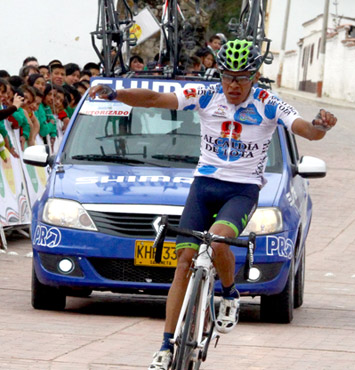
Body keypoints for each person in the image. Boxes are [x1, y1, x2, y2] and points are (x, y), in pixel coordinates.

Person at [89, 38, 337, 370]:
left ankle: (230, 295)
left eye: (242, 77)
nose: (234, 84)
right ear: (218, 73)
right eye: (227, 76)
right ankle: (165, 345)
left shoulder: (268, 102)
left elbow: (305, 129)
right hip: (204, 186)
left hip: (242, 190)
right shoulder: (206, 95)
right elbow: (153, 98)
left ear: (254, 75)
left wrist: (320, 126)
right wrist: (115, 93)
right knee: (185, 259)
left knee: (220, 239)